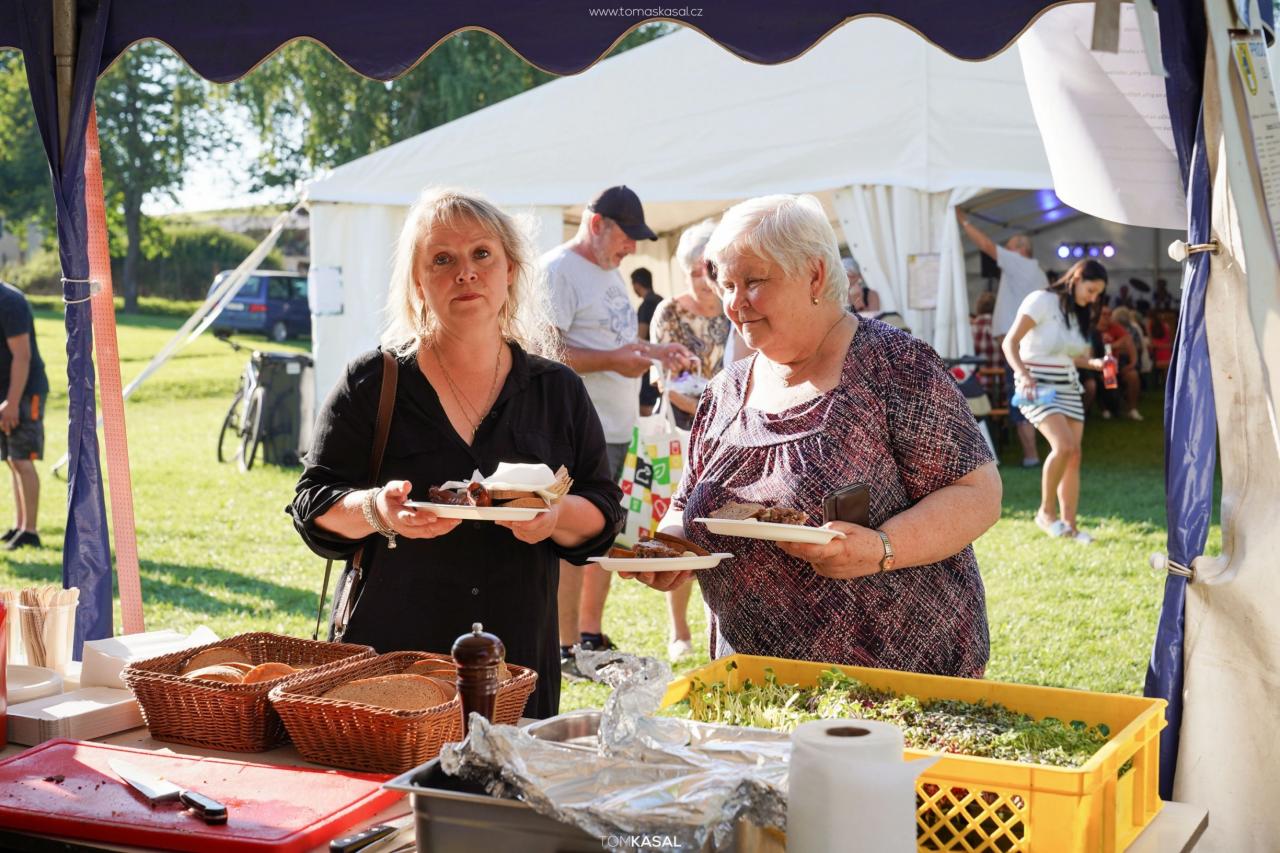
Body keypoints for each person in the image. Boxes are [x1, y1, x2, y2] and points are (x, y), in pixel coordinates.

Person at [622, 194, 1002, 677]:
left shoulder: (894, 365)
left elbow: (978, 493)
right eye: (728, 285)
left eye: (754, 282)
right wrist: (673, 548)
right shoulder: (725, 391)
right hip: (754, 684)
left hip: (893, 681)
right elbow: (685, 501)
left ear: (815, 276)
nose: (735, 303)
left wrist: (881, 547)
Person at [289, 188, 624, 718]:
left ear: (511, 270)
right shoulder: (373, 383)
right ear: (418, 282)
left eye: (481, 254)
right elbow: (313, 504)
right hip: (391, 664)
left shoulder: (556, 390)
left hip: (516, 662)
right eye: (442, 259)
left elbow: (603, 510)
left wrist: (553, 516)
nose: (465, 272)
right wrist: (376, 509)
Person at [542, 185, 693, 675]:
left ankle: (588, 634)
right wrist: (613, 361)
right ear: (596, 224)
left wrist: (655, 353)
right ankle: (564, 646)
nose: (632, 247)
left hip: (615, 427)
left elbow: (615, 342)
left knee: (604, 530)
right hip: (573, 429)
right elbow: (545, 353)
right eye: (627, 236)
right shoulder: (558, 271)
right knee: (571, 536)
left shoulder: (608, 271)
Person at [648, 220, 731, 662]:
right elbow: (668, 383)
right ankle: (679, 631)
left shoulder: (733, 307)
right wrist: (715, 413)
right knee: (681, 527)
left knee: (720, 527)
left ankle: (719, 620)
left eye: (709, 268)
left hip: (731, 431)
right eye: (695, 270)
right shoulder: (669, 313)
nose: (704, 278)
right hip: (685, 430)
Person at [1001, 259, 1110, 544]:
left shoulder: (1078, 313)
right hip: (1037, 385)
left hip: (1068, 387)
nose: (1093, 298)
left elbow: (1070, 356)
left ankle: (1070, 526)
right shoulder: (1041, 300)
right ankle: (1046, 513)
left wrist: (1095, 363)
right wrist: (1022, 374)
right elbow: (1009, 343)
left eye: (1098, 294)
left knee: (1074, 455)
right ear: (1077, 278)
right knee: (1064, 446)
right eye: (1091, 290)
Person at [957, 211, 1043, 468]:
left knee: (1021, 399)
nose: (1005, 250)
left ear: (1021, 249)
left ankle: (1031, 456)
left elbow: (985, 245)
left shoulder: (1020, 264)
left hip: (1018, 348)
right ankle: (1032, 453)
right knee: (1026, 397)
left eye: (1010, 245)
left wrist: (963, 221)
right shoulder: (1036, 272)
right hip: (1027, 346)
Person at [1, 280, 48, 550]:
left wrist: (12, 402)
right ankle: (19, 525)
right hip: (5, 392)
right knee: (12, 460)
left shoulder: (10, 302)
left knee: (22, 459)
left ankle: (30, 531)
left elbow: (22, 356)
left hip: (24, 391)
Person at [1096, 305, 1142, 421]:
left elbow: (1129, 342)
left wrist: (1132, 363)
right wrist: (1115, 345)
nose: (1107, 317)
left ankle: (1132, 410)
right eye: (1104, 314)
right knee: (1106, 376)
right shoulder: (1093, 329)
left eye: (1109, 314)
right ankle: (1107, 409)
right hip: (1097, 366)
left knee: (1133, 375)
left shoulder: (1115, 327)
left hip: (1115, 364)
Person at [632, 267, 663, 416]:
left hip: (649, 363)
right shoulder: (662, 301)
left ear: (637, 284)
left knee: (646, 409)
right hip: (665, 360)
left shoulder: (645, 305)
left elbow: (641, 336)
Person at [970, 290, 1000, 391]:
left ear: (978, 308)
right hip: (999, 385)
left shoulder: (971, 328)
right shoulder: (1001, 328)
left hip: (976, 385)